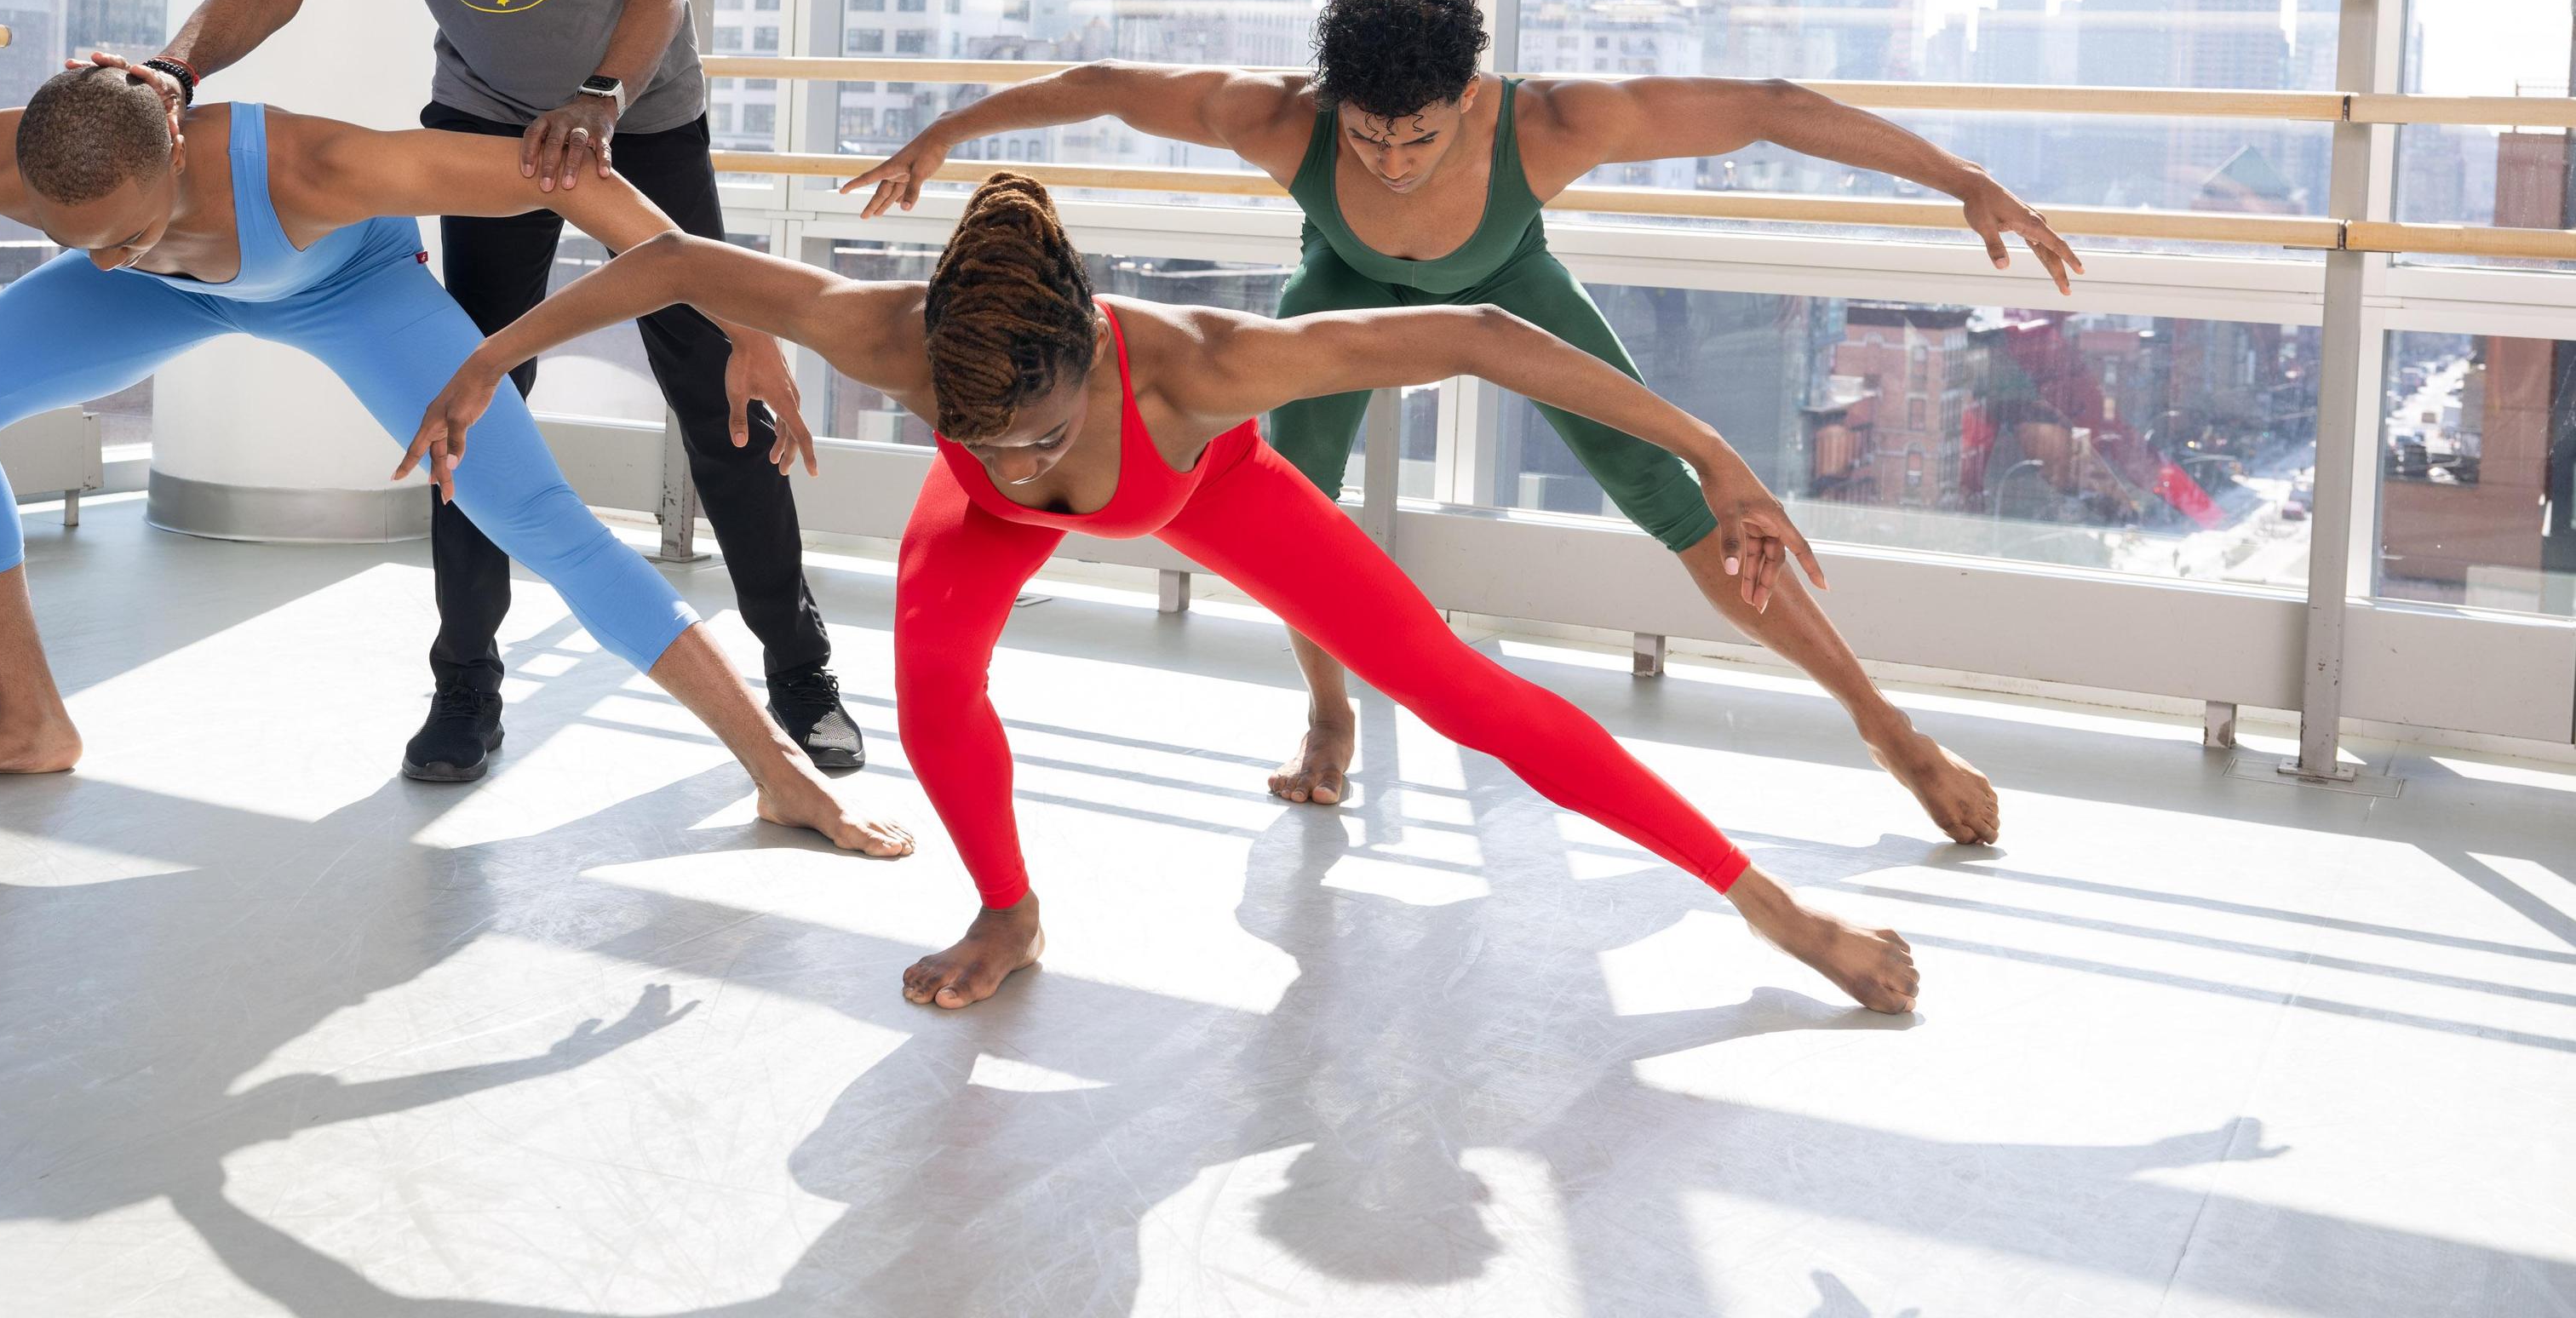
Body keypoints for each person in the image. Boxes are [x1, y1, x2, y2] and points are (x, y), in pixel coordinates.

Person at [399, 175, 1922, 1017]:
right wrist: (481, 360)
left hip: (1198, 484)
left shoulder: (1200, 363)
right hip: (977, 537)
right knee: (930, 685)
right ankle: (1010, 910)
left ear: (1090, 344)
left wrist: (1717, 456)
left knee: (1459, 690)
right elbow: (662, 260)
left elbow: (1477, 334)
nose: (1021, 452)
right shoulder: (880, 336)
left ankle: (1772, 908)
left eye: (1045, 426)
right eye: (976, 425)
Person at [845, 0, 2085, 845]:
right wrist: (945, 134)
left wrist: (1959, 177)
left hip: (1511, 288)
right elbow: (1103, 83)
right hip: (1335, 293)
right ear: (1333, 103)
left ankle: (1888, 731)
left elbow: (1768, 108)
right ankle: (1329, 712)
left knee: (1673, 492)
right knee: (1282, 503)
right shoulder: (1273, 117)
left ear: (1472, 97)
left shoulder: (1556, 125)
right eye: (1370, 141)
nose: (1390, 162)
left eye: (1420, 140)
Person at [0, 64, 909, 860]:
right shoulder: (5, 164)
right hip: (196, 296)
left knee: (540, 518)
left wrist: (747, 328)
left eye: (126, 230)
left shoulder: (316, 165)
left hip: (345, 290)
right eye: (81, 241)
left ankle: (777, 774)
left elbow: (583, 191)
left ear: (173, 151)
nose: (106, 254)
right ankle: (29, 721)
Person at [115, 0, 854, 786]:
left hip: (640, 120)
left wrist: (601, 97)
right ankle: (465, 683)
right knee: (470, 399)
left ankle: (796, 663)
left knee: (722, 387)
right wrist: (175, 67)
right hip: (484, 126)